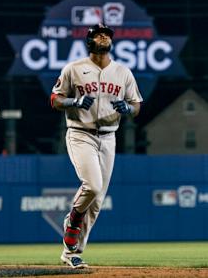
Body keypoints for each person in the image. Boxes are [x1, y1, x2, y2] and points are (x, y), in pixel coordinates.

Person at [51, 23, 143, 269]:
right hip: (81, 133)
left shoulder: (123, 72)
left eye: (107, 35)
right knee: (92, 185)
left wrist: (129, 109)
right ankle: (73, 219)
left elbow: (136, 105)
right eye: (98, 35)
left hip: (109, 137)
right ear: (89, 41)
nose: (104, 38)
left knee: (98, 200)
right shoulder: (74, 69)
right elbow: (55, 99)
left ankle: (71, 253)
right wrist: (74, 100)